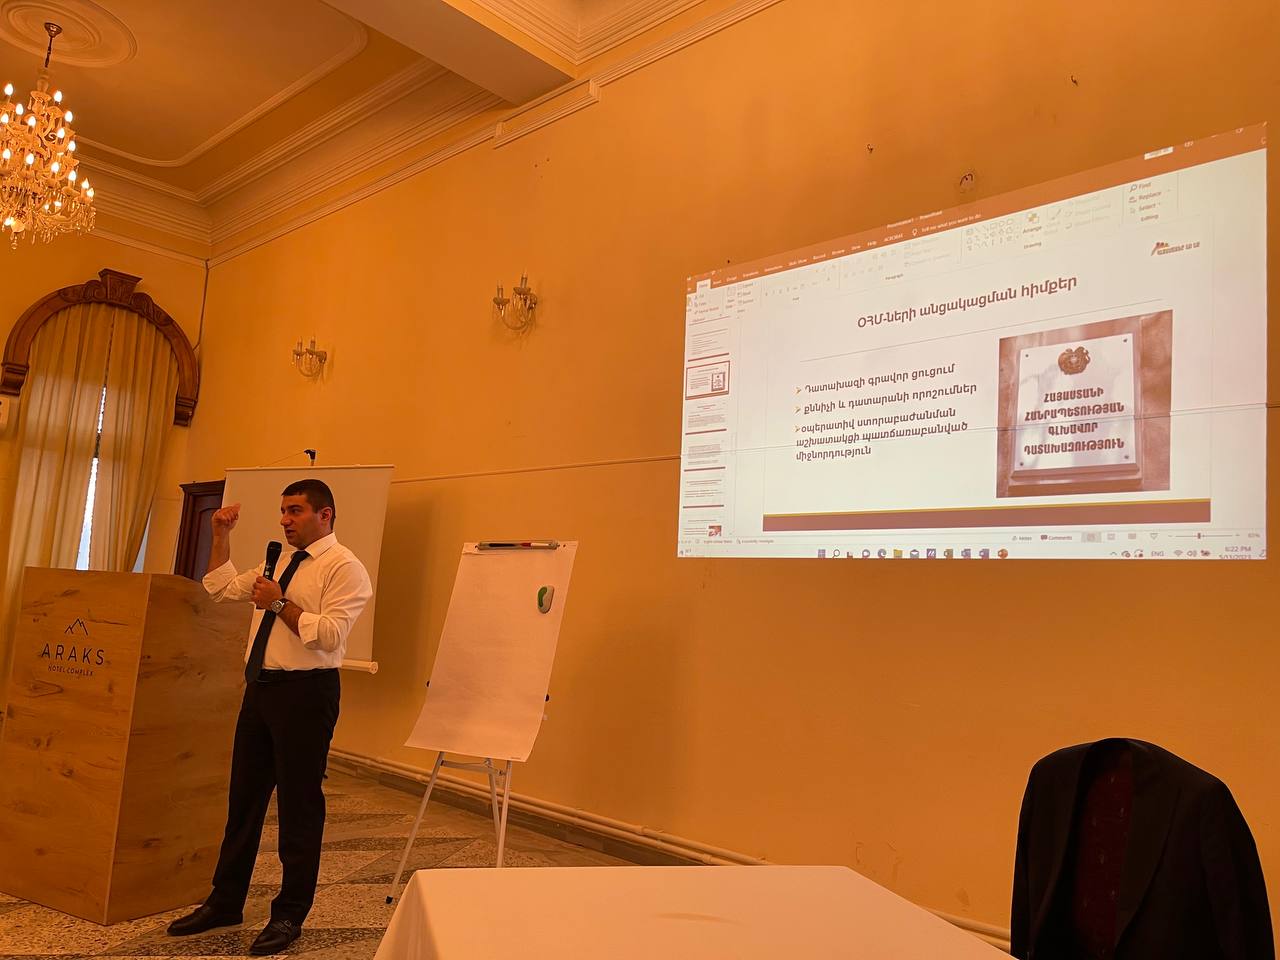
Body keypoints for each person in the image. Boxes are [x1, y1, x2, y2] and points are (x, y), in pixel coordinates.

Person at [167, 479, 372, 955]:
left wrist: (278, 603)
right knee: (244, 800)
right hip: (260, 689)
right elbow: (220, 587)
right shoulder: (277, 559)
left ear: (325, 515)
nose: (285, 520)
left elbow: (329, 635)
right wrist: (221, 535)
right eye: (283, 511)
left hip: (306, 694)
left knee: (299, 807)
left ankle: (289, 913)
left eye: (295, 511)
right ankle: (225, 901)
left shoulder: (345, 567)